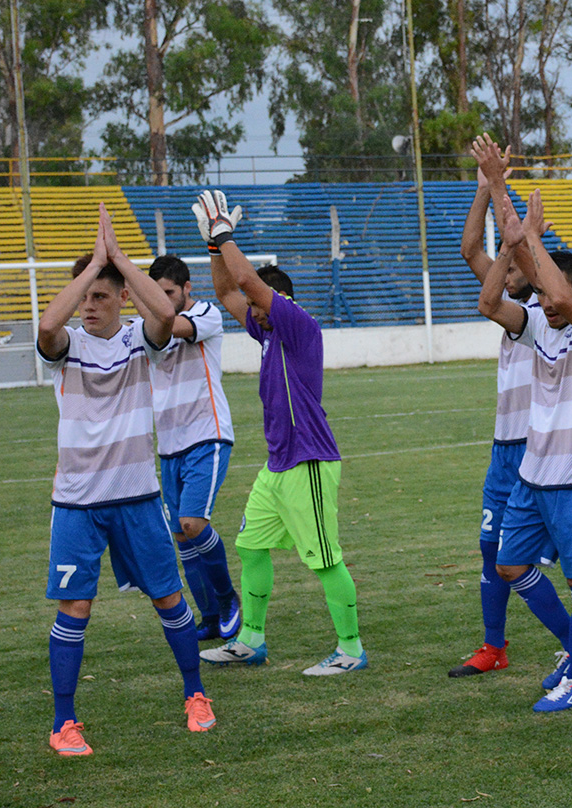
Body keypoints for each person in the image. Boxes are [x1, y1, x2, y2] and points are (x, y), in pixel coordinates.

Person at [37, 204, 215, 757]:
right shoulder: (66, 347)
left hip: (138, 499)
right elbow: (46, 326)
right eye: (84, 295)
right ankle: (64, 723)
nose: (90, 306)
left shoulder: (141, 339)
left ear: (121, 300)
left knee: (168, 598)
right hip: (76, 505)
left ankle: (196, 695)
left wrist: (119, 259)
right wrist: (93, 266)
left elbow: (163, 312)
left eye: (101, 296)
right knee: (75, 609)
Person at [451, 135, 572, 681]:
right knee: (497, 552)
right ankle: (501, 644)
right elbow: (476, 261)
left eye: (543, 284)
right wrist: (493, 194)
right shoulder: (522, 311)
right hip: (513, 454)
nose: (540, 294)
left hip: (554, 453)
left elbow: (560, 294)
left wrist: (527, 239)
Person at [192, 190, 366, 676]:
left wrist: (225, 231)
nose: (251, 311)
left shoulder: (295, 321)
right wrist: (212, 248)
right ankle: (251, 640)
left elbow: (245, 279)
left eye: (258, 304)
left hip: (308, 460)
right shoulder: (268, 331)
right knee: (250, 546)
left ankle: (351, 649)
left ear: (279, 299)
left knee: (325, 558)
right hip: (278, 465)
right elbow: (230, 291)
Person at [147, 254, 241, 642]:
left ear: (187, 289)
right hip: (169, 445)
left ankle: (228, 599)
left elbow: (171, 327)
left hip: (207, 435)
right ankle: (209, 616)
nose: (162, 300)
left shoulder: (206, 314)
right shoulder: (148, 324)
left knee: (192, 523)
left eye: (168, 292)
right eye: (156, 294)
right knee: (182, 540)